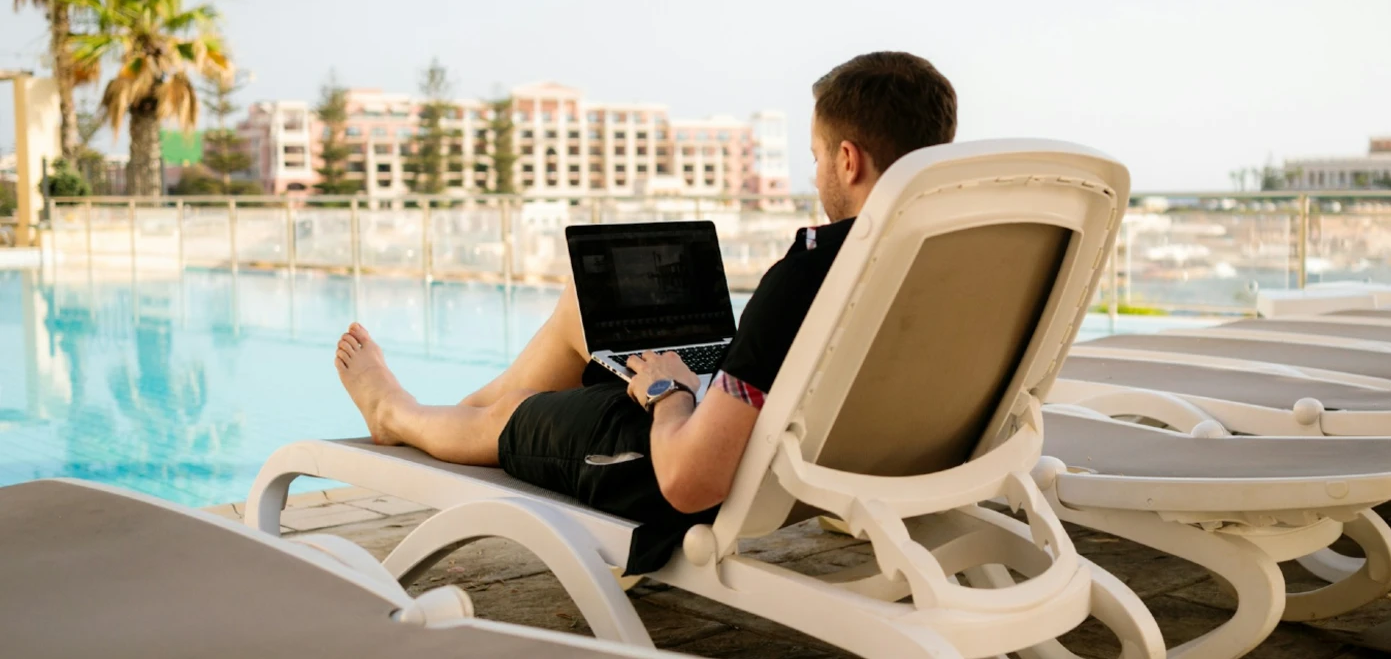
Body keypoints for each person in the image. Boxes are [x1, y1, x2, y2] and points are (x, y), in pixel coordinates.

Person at [335, 51, 958, 573]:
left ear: (849, 160)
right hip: (838, 453)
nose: (817, 171)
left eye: (819, 155)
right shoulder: (960, 263)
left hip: (680, 468)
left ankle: (402, 414)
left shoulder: (809, 274)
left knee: (519, 415)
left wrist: (669, 391)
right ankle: (464, 416)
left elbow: (691, 481)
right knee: (584, 308)